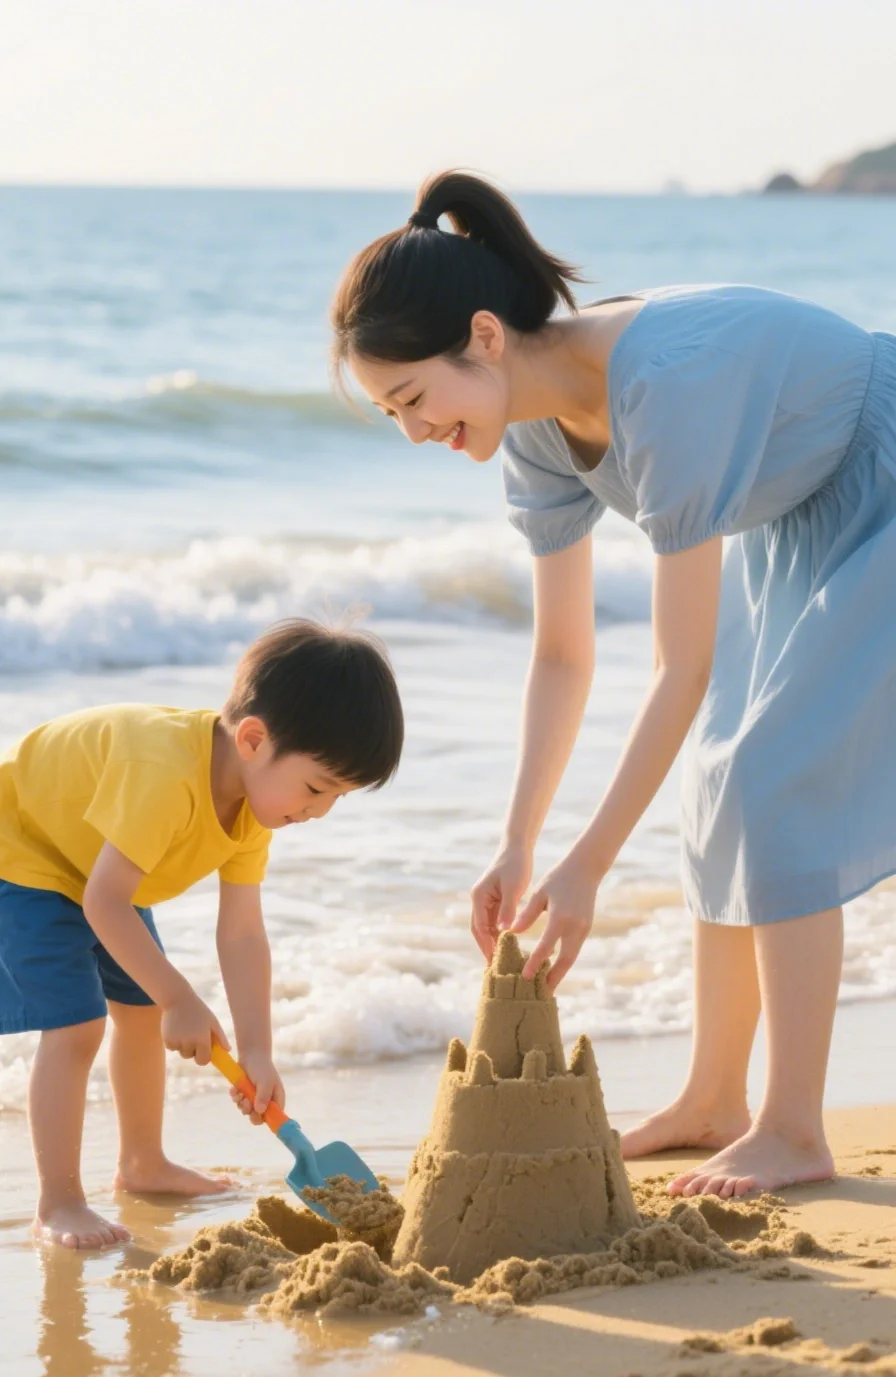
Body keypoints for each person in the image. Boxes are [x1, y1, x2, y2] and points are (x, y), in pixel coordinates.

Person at [330, 170, 896, 1200]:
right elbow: (563, 656)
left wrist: (588, 864)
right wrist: (520, 842)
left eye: (414, 398)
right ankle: (715, 1097)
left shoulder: (662, 390)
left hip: (885, 473)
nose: (415, 430)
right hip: (803, 511)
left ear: (486, 337)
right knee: (715, 781)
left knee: (771, 782)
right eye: (390, 413)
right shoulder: (532, 431)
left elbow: (682, 668)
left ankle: (793, 1126)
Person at [0, 618, 403, 1248]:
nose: (318, 812)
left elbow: (243, 933)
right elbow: (104, 902)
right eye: (315, 788)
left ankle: (142, 1165)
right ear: (253, 739)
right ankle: (57, 1202)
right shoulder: (164, 776)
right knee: (77, 1024)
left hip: (98, 860)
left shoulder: (253, 811)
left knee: (136, 1011)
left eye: (337, 797)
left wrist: (258, 1052)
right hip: (20, 843)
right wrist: (179, 998)